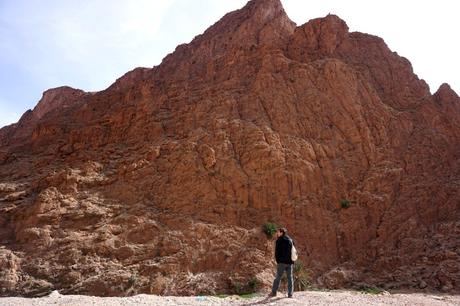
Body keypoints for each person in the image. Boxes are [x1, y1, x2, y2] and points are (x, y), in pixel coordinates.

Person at [269, 227, 295, 298]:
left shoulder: (279, 240)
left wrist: (278, 261)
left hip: (282, 262)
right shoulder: (290, 240)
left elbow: (277, 252)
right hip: (290, 262)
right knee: (290, 278)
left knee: (278, 277)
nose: (277, 233)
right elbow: (293, 251)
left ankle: (274, 292)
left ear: (281, 232)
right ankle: (290, 294)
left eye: (278, 232)